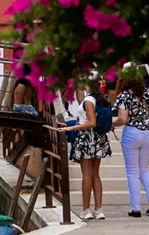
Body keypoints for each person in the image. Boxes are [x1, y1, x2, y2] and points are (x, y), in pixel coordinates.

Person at [57, 74, 111, 220]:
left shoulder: (88, 100)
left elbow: (91, 122)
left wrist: (71, 129)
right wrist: (71, 124)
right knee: (96, 175)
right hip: (98, 140)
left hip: (87, 139)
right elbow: (87, 119)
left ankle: (86, 210)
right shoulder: (102, 99)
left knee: (86, 176)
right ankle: (98, 210)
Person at [113, 73, 149, 218]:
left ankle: (135, 209)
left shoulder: (124, 96)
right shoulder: (146, 94)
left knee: (132, 171)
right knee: (144, 170)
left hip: (133, 132)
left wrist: (113, 124)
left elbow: (123, 118)